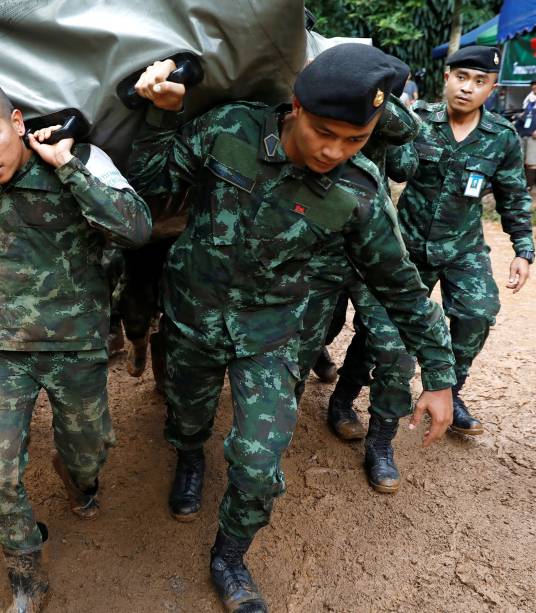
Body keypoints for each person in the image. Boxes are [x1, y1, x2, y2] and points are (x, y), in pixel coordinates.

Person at [129, 44, 456, 611]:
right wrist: (161, 112)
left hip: (271, 331)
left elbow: (400, 286)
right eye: (325, 132)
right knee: (186, 414)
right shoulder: (230, 129)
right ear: (296, 106)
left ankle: (229, 557)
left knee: (259, 465)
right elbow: (150, 179)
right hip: (193, 313)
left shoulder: (358, 192)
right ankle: (188, 455)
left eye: (355, 140)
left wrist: (440, 375)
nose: (334, 151)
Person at [0, 77, 152, 611]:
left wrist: (68, 168)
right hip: (7, 348)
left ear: (17, 122)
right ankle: (27, 573)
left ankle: (80, 479)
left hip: (78, 345)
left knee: (88, 454)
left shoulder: (78, 157)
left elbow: (136, 228)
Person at [388, 46, 533, 435]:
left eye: (480, 81)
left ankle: (452, 390)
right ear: (447, 78)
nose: (468, 88)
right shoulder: (419, 121)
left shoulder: (500, 137)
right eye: (462, 77)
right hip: (411, 244)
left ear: (492, 88)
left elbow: (514, 195)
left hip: (462, 247)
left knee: (477, 312)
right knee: (389, 330)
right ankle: (370, 400)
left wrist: (523, 248)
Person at [296, 83, 424, 495]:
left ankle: (380, 441)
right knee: (307, 339)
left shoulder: (366, 91)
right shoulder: (291, 90)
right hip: (312, 248)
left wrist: (367, 91)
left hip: (369, 250)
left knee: (396, 350)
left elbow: (406, 142)